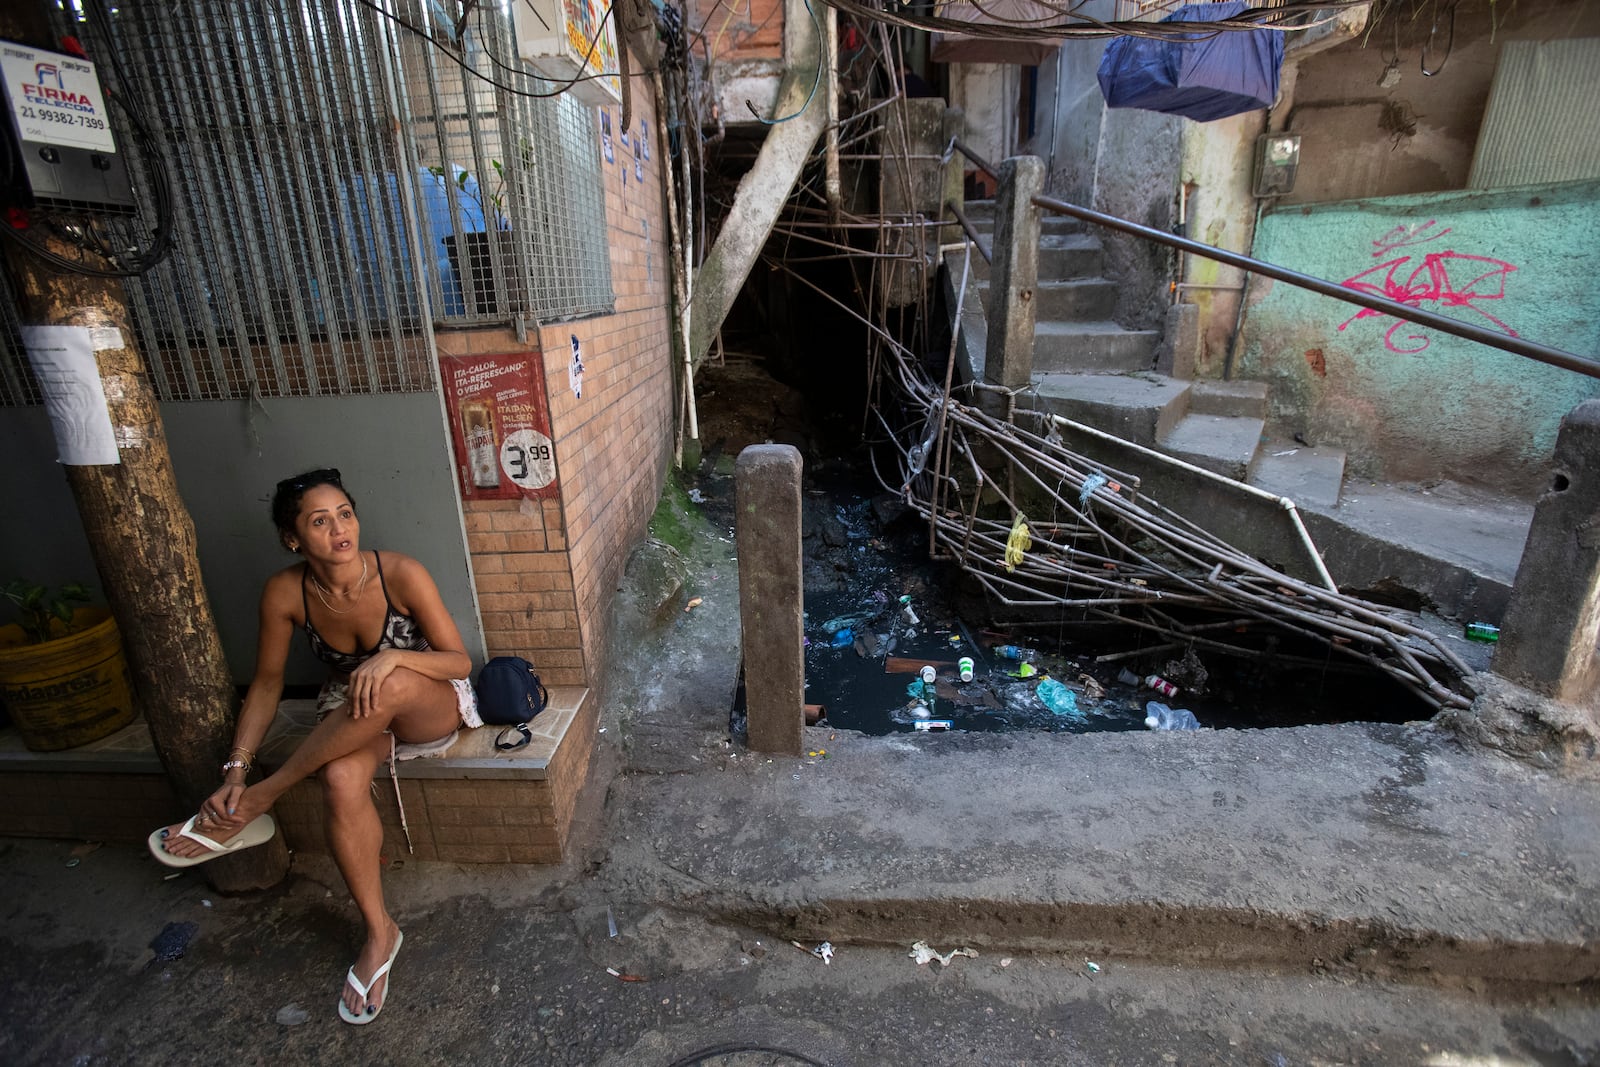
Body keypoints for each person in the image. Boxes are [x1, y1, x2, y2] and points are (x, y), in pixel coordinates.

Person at [147, 468, 483, 1024]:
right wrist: (235, 769)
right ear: (293, 538)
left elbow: (459, 661)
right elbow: (268, 683)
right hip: (357, 715)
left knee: (390, 683)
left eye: (344, 514)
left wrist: (394, 655)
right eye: (319, 521)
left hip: (428, 703)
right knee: (340, 778)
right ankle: (380, 932)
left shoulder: (399, 572)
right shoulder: (286, 592)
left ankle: (260, 801)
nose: (338, 529)